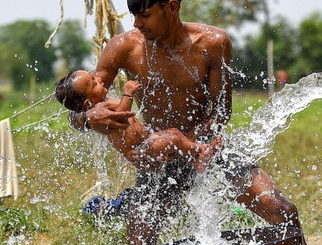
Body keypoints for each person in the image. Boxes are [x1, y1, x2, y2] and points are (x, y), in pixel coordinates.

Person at [69, 0, 317, 245]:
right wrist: (84, 118)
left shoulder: (213, 44)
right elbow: (84, 100)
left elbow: (221, 111)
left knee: (282, 211)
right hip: (161, 159)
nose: (138, 25)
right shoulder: (124, 48)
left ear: (172, 8)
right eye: (134, 17)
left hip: (207, 150)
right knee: (139, 239)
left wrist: (203, 142)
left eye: (145, 16)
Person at [54, 70, 220, 173]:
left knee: (173, 144)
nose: (99, 78)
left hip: (144, 143)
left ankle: (194, 158)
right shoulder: (101, 115)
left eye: (93, 76)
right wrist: (127, 94)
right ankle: (200, 152)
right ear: (88, 102)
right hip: (141, 149)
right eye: (93, 83)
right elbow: (122, 116)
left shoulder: (102, 106)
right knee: (175, 137)